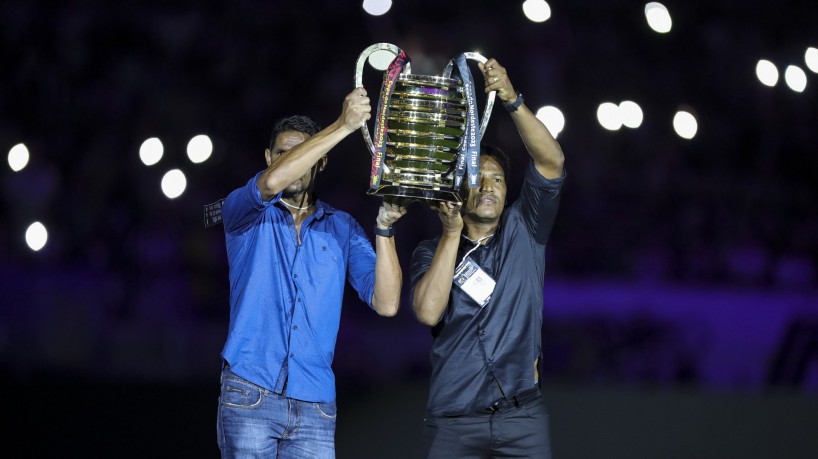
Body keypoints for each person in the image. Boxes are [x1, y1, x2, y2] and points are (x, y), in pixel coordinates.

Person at [216, 87, 408, 458]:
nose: (294, 162)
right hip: (250, 389)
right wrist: (342, 125)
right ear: (269, 158)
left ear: (321, 162)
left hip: (316, 405)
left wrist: (384, 228)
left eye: (304, 154)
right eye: (284, 154)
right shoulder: (243, 210)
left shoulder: (344, 228)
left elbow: (386, 303)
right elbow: (270, 183)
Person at [410, 58, 566, 458]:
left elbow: (552, 161)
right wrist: (450, 232)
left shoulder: (525, 229)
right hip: (454, 419)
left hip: (522, 418)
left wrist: (512, 99)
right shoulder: (431, 250)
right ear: (459, 190)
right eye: (477, 179)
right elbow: (428, 313)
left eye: (497, 179)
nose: (488, 187)